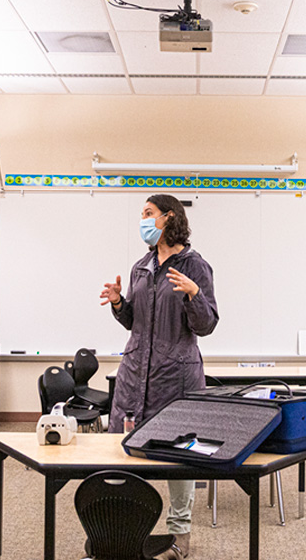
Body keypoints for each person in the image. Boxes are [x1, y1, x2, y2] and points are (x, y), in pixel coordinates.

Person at [100, 194, 218, 560]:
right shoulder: (141, 267)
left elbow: (207, 324)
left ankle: (179, 537)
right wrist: (120, 302)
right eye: (142, 214)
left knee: (178, 458)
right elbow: (136, 322)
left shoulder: (195, 267)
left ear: (169, 218)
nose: (143, 220)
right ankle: (126, 531)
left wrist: (195, 295)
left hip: (175, 377)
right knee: (128, 453)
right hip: (135, 374)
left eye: (148, 213)